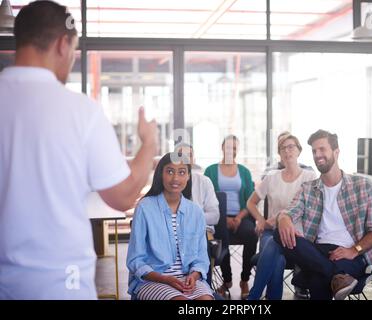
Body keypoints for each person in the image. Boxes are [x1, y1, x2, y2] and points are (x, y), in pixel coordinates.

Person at [0, 1, 158, 299]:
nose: (72, 60)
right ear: (63, 44)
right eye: (74, 51)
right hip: (60, 280)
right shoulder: (79, 111)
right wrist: (149, 144)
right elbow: (122, 196)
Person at [276, 129, 372, 300]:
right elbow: (291, 210)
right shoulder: (308, 189)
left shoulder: (363, 186)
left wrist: (353, 250)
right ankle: (337, 277)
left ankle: (330, 273)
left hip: (352, 253)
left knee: (317, 279)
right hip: (318, 251)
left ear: (336, 151)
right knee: (278, 233)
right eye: (314, 151)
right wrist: (283, 218)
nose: (317, 155)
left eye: (322, 149)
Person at [126, 152, 213, 300]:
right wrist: (165, 279)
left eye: (181, 172)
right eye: (170, 171)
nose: (175, 178)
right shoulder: (145, 207)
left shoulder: (196, 212)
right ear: (161, 174)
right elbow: (135, 260)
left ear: (188, 176)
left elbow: (201, 259)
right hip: (152, 281)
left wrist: (194, 275)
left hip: (187, 279)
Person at [246, 134, 316, 300]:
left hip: (298, 234)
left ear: (299, 150)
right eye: (283, 148)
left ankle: (253, 298)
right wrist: (261, 220)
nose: (287, 151)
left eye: (291, 146)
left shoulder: (310, 177)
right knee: (275, 254)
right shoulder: (272, 177)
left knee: (275, 255)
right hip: (271, 232)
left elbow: (311, 209)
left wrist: (278, 216)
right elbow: (250, 202)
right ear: (279, 153)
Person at [204, 135, 257, 299]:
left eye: (234, 148)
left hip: (241, 216)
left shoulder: (244, 171)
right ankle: (227, 281)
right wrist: (224, 219)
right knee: (221, 236)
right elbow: (208, 199)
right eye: (228, 147)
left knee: (252, 234)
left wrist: (239, 218)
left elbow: (250, 200)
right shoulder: (211, 170)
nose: (231, 151)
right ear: (222, 148)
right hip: (219, 218)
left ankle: (244, 279)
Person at [174, 143, 219, 234]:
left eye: (189, 155)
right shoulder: (167, 182)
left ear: (194, 160)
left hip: (200, 231)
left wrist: (189, 218)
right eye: (181, 155)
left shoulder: (204, 182)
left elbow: (214, 216)